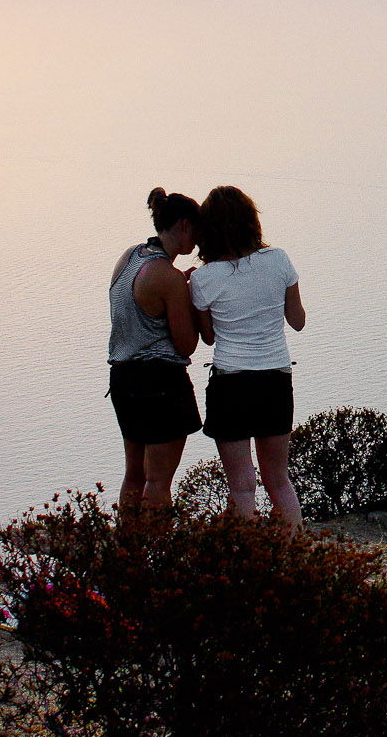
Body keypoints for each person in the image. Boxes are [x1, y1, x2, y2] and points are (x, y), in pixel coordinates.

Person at [185, 185, 311, 520]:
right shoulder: (279, 260)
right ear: (252, 221)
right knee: (278, 480)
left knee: (242, 487)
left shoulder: (203, 279)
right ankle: (292, 558)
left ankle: (246, 566)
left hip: (231, 384)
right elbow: (297, 321)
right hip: (275, 379)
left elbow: (209, 338)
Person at [106, 189, 209, 519]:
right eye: (197, 229)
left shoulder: (129, 257)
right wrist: (189, 295)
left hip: (123, 378)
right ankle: (156, 558)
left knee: (134, 475)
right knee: (159, 481)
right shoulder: (169, 277)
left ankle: (127, 553)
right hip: (161, 382)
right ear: (183, 226)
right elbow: (186, 345)